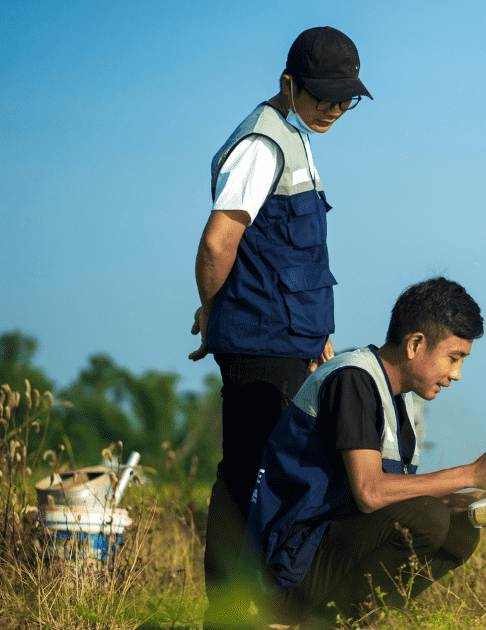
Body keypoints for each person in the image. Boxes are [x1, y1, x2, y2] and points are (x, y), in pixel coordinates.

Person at [189, 26, 372, 627]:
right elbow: (220, 241)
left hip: (287, 338)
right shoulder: (263, 144)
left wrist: (315, 332)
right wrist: (216, 315)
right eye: (324, 97)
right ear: (288, 84)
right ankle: (229, 609)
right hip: (258, 339)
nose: (335, 110)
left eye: (345, 100)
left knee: (280, 470)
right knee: (249, 470)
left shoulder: (298, 133)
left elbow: (291, 256)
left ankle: (269, 604)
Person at [246, 277, 486, 626]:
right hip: (288, 564)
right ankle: (300, 619)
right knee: (427, 517)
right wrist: (471, 473)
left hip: (327, 544)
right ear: (415, 344)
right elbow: (371, 492)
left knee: (460, 529)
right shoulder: (353, 380)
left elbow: (397, 499)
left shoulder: (399, 399)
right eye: (454, 358)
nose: (456, 374)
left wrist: (478, 505)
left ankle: (345, 621)